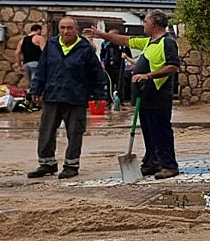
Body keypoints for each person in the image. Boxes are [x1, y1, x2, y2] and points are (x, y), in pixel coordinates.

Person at [84, 10, 180, 179]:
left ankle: (169, 164)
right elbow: (124, 40)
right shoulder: (150, 42)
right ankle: (152, 162)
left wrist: (148, 75)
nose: (143, 24)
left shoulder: (168, 42)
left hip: (158, 94)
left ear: (154, 24)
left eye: (146, 22)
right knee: (149, 131)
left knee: (161, 130)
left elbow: (173, 66)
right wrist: (101, 34)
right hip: (145, 95)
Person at [26, 16, 107, 179]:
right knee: (46, 132)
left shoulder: (85, 48)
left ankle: (71, 165)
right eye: (62, 28)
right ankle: (46, 164)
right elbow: (42, 68)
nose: (66, 31)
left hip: (76, 97)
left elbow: (96, 74)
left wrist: (99, 95)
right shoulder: (52, 45)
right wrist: (35, 89)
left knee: (75, 132)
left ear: (76, 29)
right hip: (52, 95)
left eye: (69, 28)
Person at [98, 26, 128, 108]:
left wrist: (127, 58)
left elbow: (129, 56)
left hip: (119, 67)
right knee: (108, 84)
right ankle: (108, 101)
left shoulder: (123, 45)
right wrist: (102, 63)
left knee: (120, 85)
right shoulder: (105, 44)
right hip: (109, 67)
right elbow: (102, 55)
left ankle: (120, 101)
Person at [16, 23, 46, 90]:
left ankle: (30, 97)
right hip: (36, 63)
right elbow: (44, 51)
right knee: (35, 83)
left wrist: (19, 65)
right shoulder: (39, 38)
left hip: (26, 64)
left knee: (30, 83)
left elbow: (17, 53)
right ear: (38, 30)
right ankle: (34, 98)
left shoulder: (22, 40)